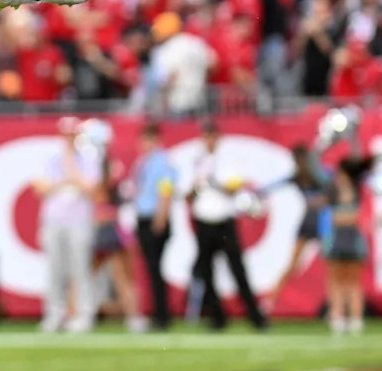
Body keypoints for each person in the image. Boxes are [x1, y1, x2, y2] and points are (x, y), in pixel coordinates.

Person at [187, 121, 267, 331]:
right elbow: (191, 193)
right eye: (206, 136)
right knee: (205, 271)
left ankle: (255, 317)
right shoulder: (198, 161)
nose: (209, 141)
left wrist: (214, 182)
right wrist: (195, 187)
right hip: (204, 221)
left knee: (238, 270)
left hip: (224, 221)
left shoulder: (228, 160)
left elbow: (234, 189)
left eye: (212, 136)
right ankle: (217, 317)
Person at [31, 116, 101, 333]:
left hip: (79, 221)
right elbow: (39, 187)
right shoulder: (50, 156)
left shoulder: (89, 157)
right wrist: (65, 181)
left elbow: (91, 189)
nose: (69, 138)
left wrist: (71, 169)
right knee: (55, 270)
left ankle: (83, 314)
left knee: (80, 269)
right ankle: (54, 314)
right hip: (54, 220)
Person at [263, 144, 327, 314]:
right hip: (309, 222)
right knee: (292, 264)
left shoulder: (319, 176)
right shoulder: (298, 178)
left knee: (332, 265)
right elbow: (273, 185)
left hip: (323, 224)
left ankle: (336, 308)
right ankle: (269, 301)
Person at [92, 151, 146, 332]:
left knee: (123, 278)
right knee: (86, 276)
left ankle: (134, 316)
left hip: (112, 233)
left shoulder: (112, 189)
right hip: (110, 233)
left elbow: (118, 213)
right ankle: (134, 317)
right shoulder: (103, 188)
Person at [133, 122, 176, 330]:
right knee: (151, 269)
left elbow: (166, 190)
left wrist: (162, 216)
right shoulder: (143, 163)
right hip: (143, 217)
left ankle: (162, 315)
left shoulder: (162, 162)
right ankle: (158, 313)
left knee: (156, 268)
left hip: (155, 218)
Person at [322, 157, 372, 335]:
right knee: (336, 281)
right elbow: (332, 219)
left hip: (353, 241)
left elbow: (362, 218)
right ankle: (337, 316)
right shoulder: (331, 192)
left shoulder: (360, 190)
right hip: (336, 241)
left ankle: (355, 318)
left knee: (353, 281)